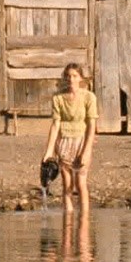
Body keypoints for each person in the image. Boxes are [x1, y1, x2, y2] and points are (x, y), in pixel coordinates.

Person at [42, 63, 98, 212]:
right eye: (68, 76)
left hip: (82, 141)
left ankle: (84, 225)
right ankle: (67, 226)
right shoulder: (58, 98)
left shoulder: (89, 97)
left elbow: (92, 125)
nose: (71, 79)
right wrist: (49, 151)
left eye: (74, 76)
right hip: (64, 142)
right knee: (67, 185)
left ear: (80, 78)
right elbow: (55, 125)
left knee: (81, 183)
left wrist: (86, 151)